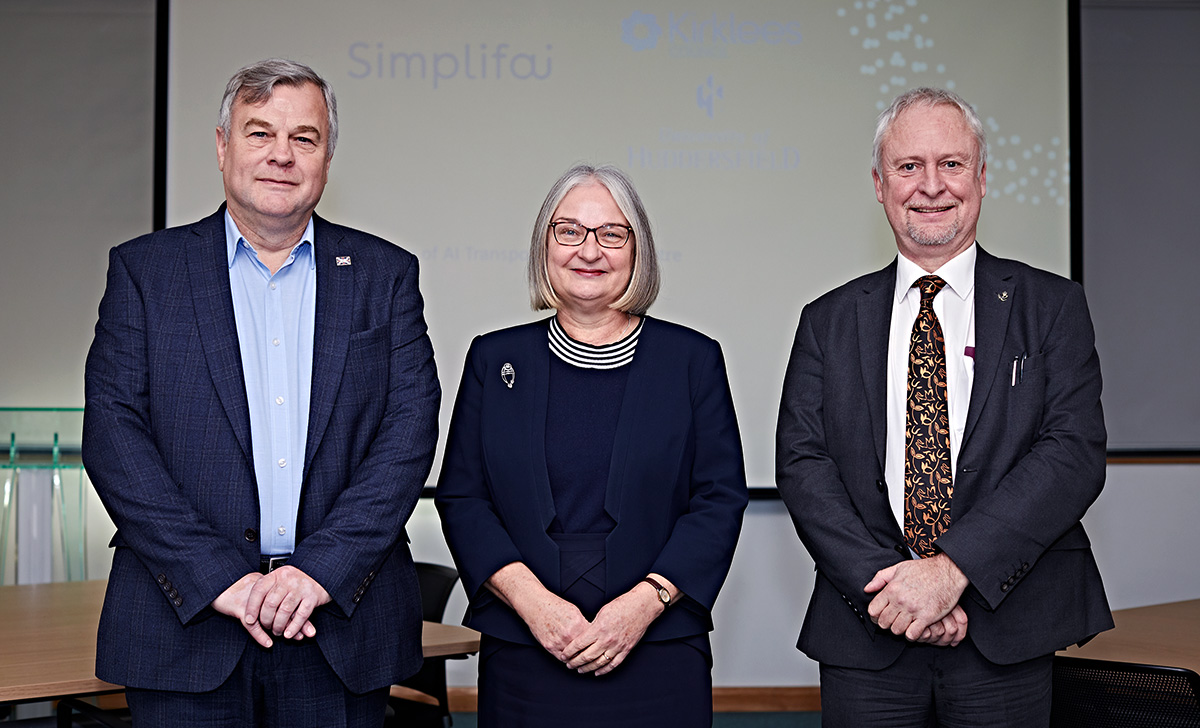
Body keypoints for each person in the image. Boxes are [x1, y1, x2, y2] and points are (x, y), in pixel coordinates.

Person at [82, 58, 440, 726]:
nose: (282, 155)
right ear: (222, 147)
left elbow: (408, 433)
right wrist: (221, 577)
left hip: (338, 628)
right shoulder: (145, 271)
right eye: (259, 133)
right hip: (185, 623)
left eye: (304, 138)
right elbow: (114, 436)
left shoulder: (385, 274)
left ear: (327, 157)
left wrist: (319, 572)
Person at [775, 87, 1112, 727]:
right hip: (867, 630)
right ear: (879, 183)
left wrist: (952, 572)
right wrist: (896, 591)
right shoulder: (827, 320)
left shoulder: (1052, 307)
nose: (931, 186)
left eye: (951, 164)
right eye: (909, 166)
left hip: (1005, 626)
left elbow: (1073, 455)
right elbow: (802, 464)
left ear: (981, 178)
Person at [435, 163, 748, 726]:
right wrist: (536, 607)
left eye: (611, 233)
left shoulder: (692, 361)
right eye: (569, 230)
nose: (590, 250)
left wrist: (641, 606)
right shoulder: (494, 360)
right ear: (544, 245)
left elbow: (718, 499)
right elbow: (463, 499)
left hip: (657, 646)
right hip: (525, 646)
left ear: (638, 250)